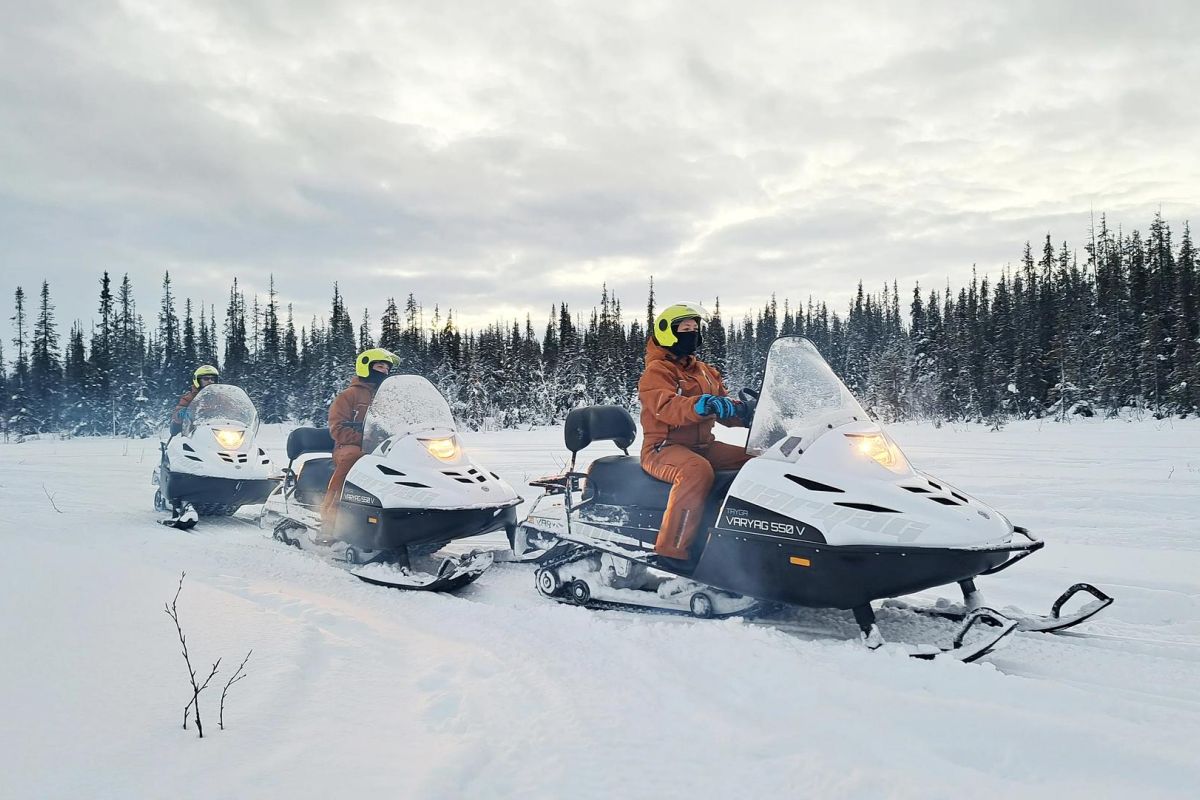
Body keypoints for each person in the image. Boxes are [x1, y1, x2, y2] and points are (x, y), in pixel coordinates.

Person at [639, 302, 752, 569]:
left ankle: (749, 539)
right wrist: (700, 404)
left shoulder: (704, 370)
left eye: (695, 328)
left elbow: (722, 406)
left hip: (703, 445)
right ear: (668, 333)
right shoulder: (657, 371)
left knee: (755, 461)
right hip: (663, 448)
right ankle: (672, 552)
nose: (692, 333)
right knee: (696, 471)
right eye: (685, 329)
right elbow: (665, 406)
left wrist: (747, 413)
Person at [320, 347, 401, 532]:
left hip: (384, 446)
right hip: (349, 447)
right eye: (380, 366)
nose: (384, 372)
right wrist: (365, 440)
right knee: (354, 457)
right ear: (366, 367)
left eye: (387, 369)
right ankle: (330, 516)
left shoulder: (387, 398)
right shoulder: (349, 395)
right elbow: (337, 428)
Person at [170, 365, 220, 436]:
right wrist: (182, 413)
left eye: (212, 379)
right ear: (198, 380)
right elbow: (177, 414)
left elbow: (231, 408)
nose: (210, 381)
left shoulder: (220, 397)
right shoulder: (189, 397)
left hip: (217, 432)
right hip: (193, 433)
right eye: (206, 379)